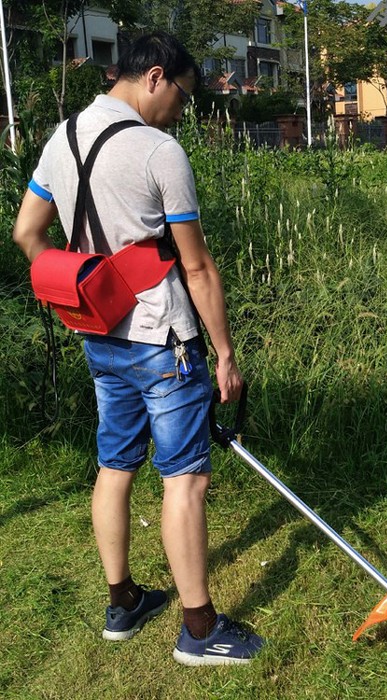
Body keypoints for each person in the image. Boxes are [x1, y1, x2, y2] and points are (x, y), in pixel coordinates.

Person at [12, 31, 264, 666]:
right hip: (165, 339)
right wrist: (226, 352)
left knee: (115, 465)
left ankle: (122, 601)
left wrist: (77, 289)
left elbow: (26, 233)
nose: (182, 110)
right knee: (186, 478)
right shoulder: (160, 151)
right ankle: (200, 629)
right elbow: (198, 268)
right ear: (155, 77)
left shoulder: (60, 138)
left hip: (98, 336)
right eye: (182, 96)